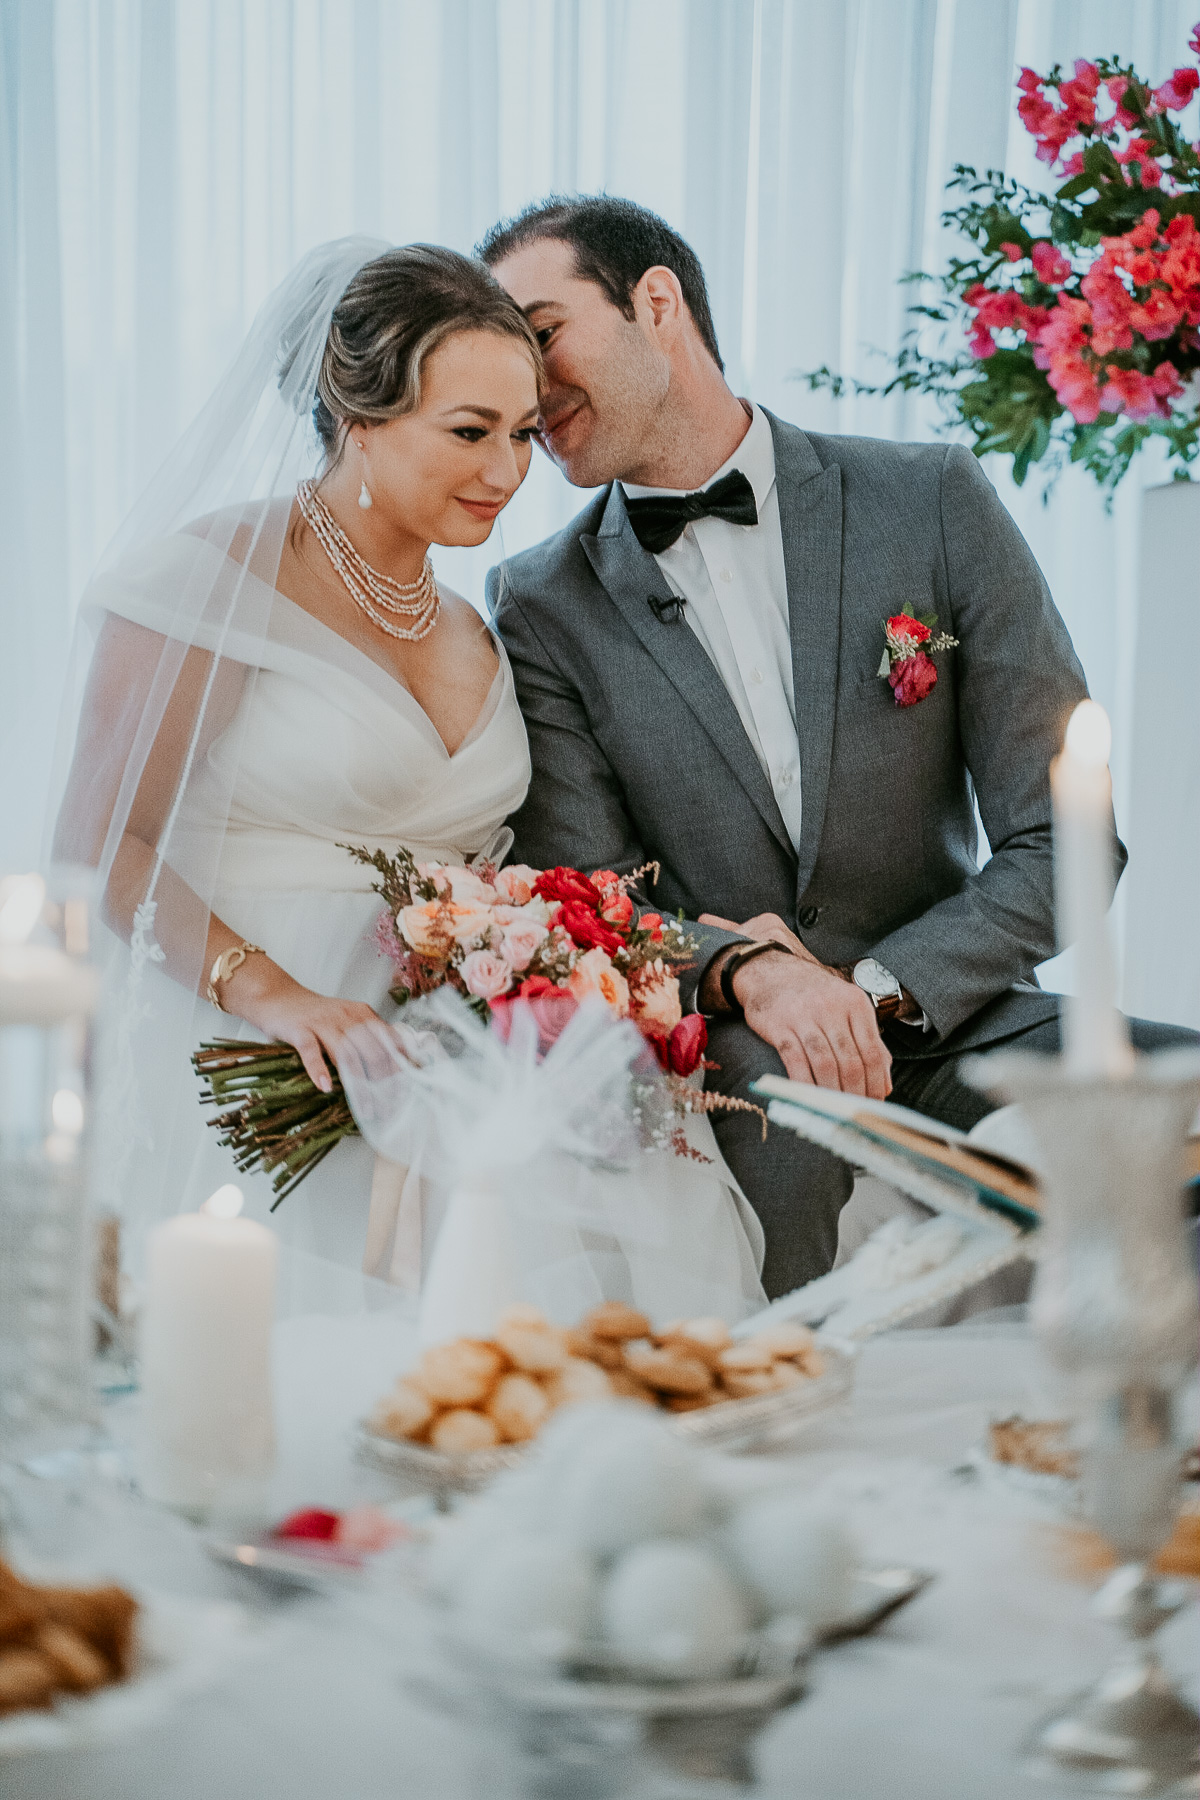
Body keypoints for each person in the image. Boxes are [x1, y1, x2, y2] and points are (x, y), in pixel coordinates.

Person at [479, 194, 1199, 1298]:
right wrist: (750, 978)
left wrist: (873, 991)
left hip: (963, 1015)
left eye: (541, 333)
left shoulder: (933, 499)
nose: (527, 388)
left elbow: (1068, 840)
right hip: (737, 1051)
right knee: (781, 1159)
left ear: (656, 303)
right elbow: (595, 903)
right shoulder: (539, 603)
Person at [50, 237, 764, 1317]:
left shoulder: (483, 627)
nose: (507, 472)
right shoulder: (215, 580)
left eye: (523, 433)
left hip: (468, 1066)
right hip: (264, 1040)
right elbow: (102, 851)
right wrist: (284, 999)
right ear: (358, 419)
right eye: (469, 433)